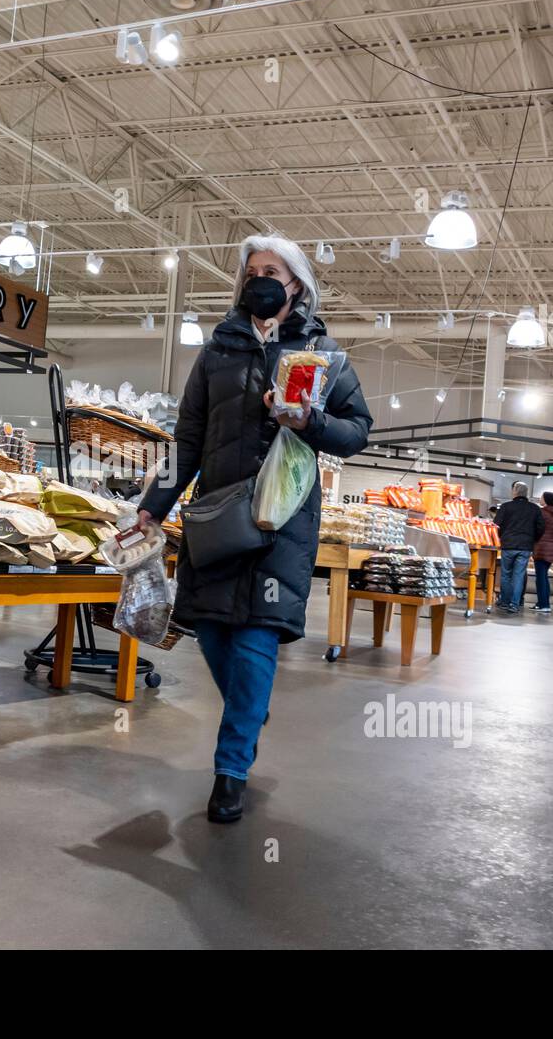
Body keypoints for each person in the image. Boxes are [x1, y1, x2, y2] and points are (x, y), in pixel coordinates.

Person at [136, 234, 372, 824]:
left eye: (272, 271)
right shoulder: (218, 349)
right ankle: (249, 705)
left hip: (282, 518)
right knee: (211, 632)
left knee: (255, 640)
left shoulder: (321, 351)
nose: (259, 280)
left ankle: (230, 771)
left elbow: (357, 430)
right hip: (217, 514)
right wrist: (153, 503)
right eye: (251, 272)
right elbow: (186, 438)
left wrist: (310, 419)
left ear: (296, 285)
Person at [493, 481, 544, 614]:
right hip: (525, 547)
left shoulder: (505, 507)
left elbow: (496, 525)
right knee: (519, 575)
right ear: (526, 493)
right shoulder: (535, 509)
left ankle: (504, 601)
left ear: (514, 492)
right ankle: (515, 604)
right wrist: (533, 539)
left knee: (505, 575)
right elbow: (541, 528)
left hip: (508, 545)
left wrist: (502, 537)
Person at [531, 491, 553, 614]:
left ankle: (545, 605)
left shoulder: (542, 512)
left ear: (546, 500)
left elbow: (536, 529)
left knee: (541, 578)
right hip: (552, 548)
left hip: (541, 548)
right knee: (543, 577)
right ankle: (541, 603)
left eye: (541, 497)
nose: (540, 499)